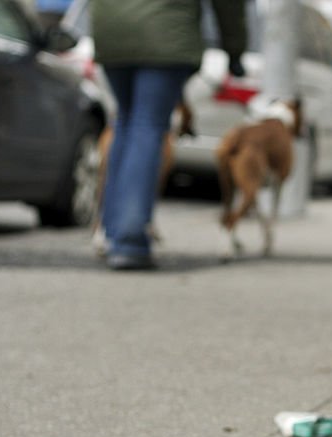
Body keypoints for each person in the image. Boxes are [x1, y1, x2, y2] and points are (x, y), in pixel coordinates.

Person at [91, 0, 247, 270]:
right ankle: (130, 240)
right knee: (147, 125)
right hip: (165, 35)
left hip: (112, 32)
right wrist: (234, 50)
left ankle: (110, 232)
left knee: (125, 123)